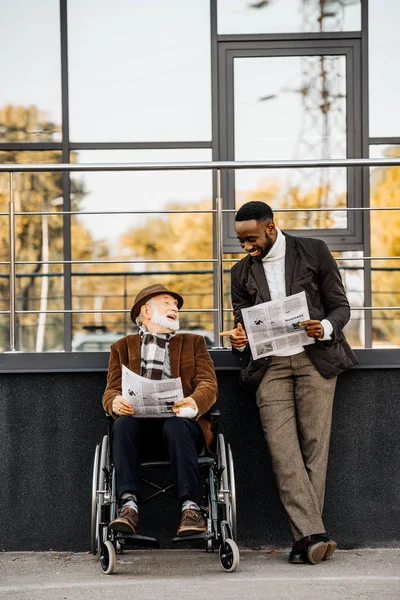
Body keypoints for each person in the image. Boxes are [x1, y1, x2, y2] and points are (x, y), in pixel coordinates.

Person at [221, 201, 358, 565]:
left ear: (270, 227)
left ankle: (305, 539)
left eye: (250, 239)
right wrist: (238, 337)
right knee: (283, 451)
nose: (245, 247)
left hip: (316, 357)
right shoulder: (240, 273)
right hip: (271, 365)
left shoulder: (313, 250)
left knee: (315, 447)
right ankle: (315, 535)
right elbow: (243, 322)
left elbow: (340, 306)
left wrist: (324, 326)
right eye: (240, 241)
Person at [102, 284, 218, 537]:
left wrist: (194, 403)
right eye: (167, 302)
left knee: (175, 424)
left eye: (176, 304)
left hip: (181, 431)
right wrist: (114, 402)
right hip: (140, 435)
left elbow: (208, 383)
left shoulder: (193, 343)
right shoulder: (121, 347)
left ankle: (191, 509)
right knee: (122, 423)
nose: (175, 307)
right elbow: (111, 390)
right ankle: (129, 507)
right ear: (146, 310)